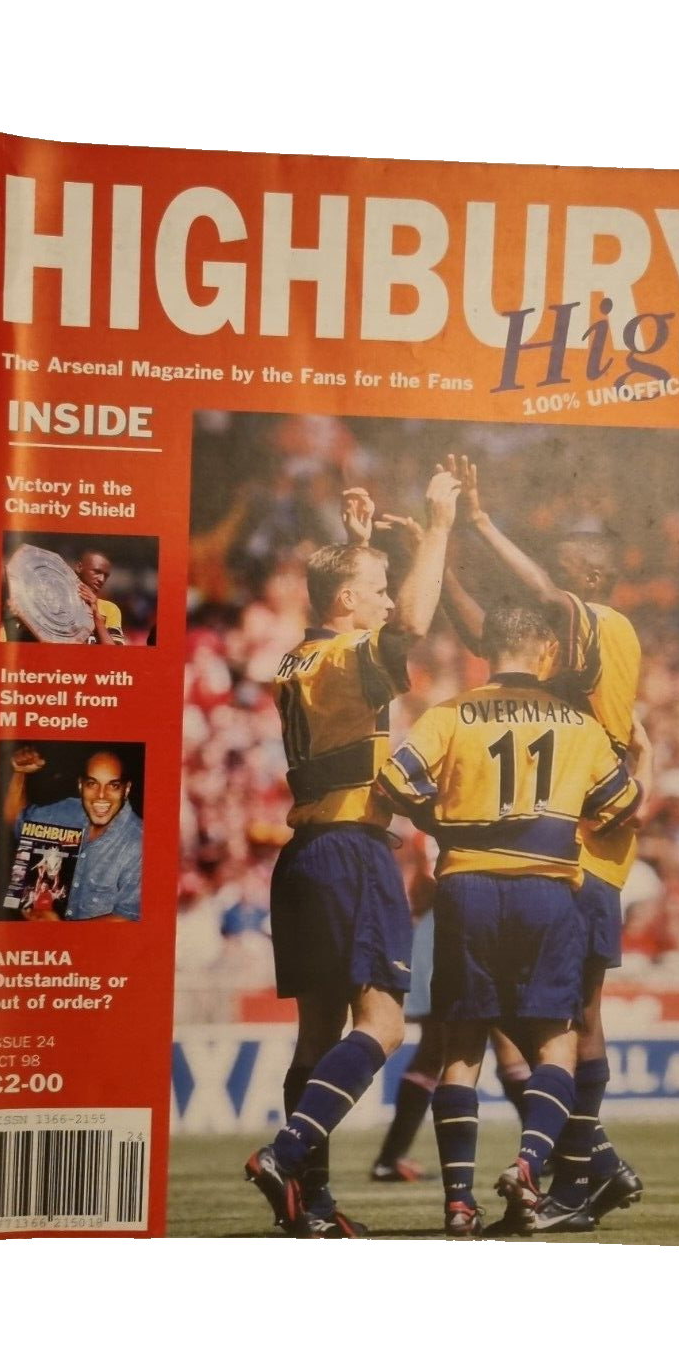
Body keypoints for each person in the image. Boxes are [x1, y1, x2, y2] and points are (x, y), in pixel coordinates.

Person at [377, 600, 642, 1236]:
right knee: (557, 1040)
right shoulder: (578, 722)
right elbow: (619, 805)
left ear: (486, 651)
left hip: (467, 886)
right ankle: (528, 1163)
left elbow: (392, 785)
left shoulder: (450, 714)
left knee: (462, 1046)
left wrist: (442, 822)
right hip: (546, 889)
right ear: (546, 652)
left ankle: (458, 1205)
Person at [243, 468, 461, 1238]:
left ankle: (312, 1206)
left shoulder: (296, 658)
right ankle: (285, 1155)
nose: (388, 599)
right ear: (346, 601)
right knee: (385, 1025)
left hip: (304, 857)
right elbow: (410, 624)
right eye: (376, 589)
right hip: (349, 849)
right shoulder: (343, 661)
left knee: (316, 1035)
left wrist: (356, 550)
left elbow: (347, 616)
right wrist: (439, 527)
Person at [439, 456, 651, 1225]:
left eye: (558, 570)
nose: (542, 584)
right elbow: (490, 636)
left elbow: (540, 599)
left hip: (585, 844)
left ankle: (575, 1187)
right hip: (550, 848)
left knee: (573, 1017)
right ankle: (595, 1165)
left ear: (588, 577)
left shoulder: (605, 626)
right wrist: (440, 550)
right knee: (524, 1015)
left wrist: (480, 521)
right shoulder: (564, 655)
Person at [3, 746, 143, 921]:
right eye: (92, 784)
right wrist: (19, 773)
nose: (101, 795)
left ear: (126, 789)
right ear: (80, 785)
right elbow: (17, 820)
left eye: (113, 786)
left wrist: (61, 930)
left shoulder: (140, 842)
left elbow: (128, 920)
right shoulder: (68, 811)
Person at [74, 548, 126, 644]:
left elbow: (114, 652)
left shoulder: (110, 609)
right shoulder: (58, 601)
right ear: (79, 567)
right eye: (97, 572)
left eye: (106, 576)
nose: (101, 579)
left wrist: (96, 613)